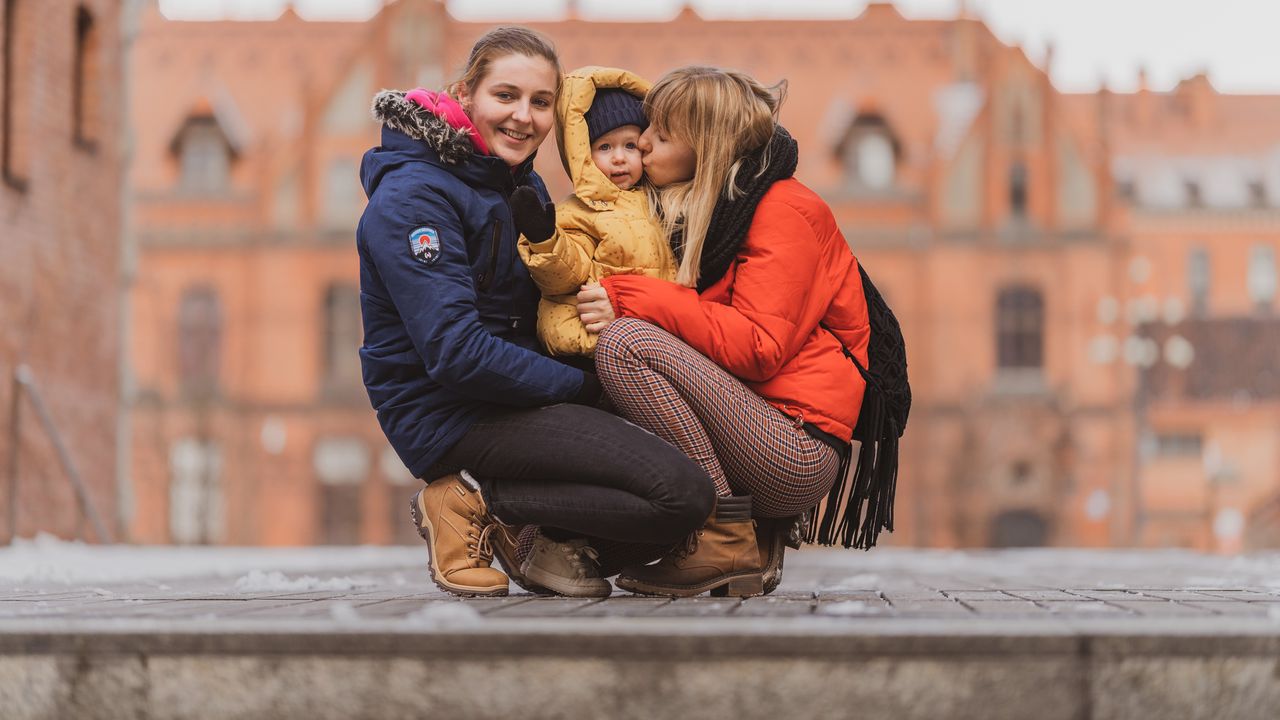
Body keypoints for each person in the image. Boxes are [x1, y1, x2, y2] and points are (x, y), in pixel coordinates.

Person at [356, 28, 715, 599]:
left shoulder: (514, 186)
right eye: (506, 96)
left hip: (515, 396)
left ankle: (540, 542)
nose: (523, 116)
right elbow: (456, 352)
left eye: (540, 102)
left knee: (686, 448)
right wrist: (589, 387)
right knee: (681, 496)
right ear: (466, 94)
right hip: (450, 414)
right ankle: (470, 498)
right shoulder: (414, 198)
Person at [575, 66, 873, 597]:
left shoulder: (781, 209)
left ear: (707, 150)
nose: (641, 144)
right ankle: (748, 536)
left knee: (627, 346)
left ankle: (720, 535)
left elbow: (758, 346)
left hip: (794, 445)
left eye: (661, 135)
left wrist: (630, 296)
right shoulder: (716, 210)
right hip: (761, 423)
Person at [510, 67, 676, 360]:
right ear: (583, 155)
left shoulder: (660, 200)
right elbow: (565, 277)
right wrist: (546, 241)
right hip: (591, 330)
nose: (619, 157)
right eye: (604, 147)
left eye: (630, 145)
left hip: (650, 327)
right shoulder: (580, 212)